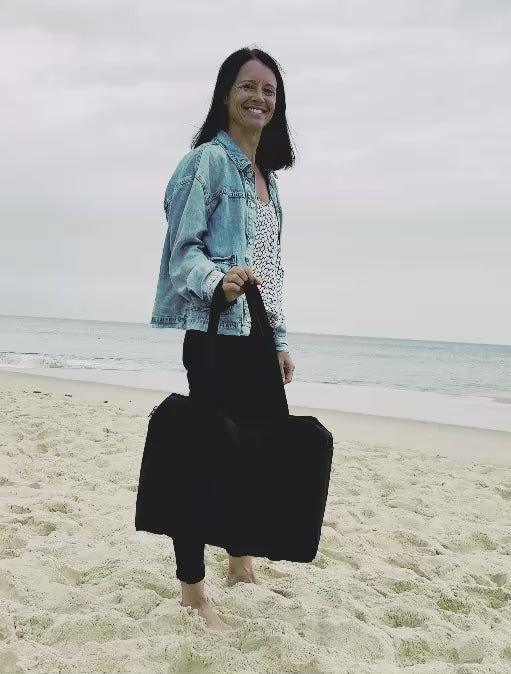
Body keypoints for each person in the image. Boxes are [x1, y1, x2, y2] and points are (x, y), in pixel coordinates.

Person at [150, 46, 297, 630]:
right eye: (248, 86)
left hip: (257, 334)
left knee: (258, 456)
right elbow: (181, 252)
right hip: (215, 332)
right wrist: (217, 281)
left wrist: (279, 338)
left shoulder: (268, 180)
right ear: (225, 95)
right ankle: (192, 591)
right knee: (203, 456)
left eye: (269, 90)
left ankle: (241, 564)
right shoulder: (205, 163)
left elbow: (272, 266)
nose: (259, 98)